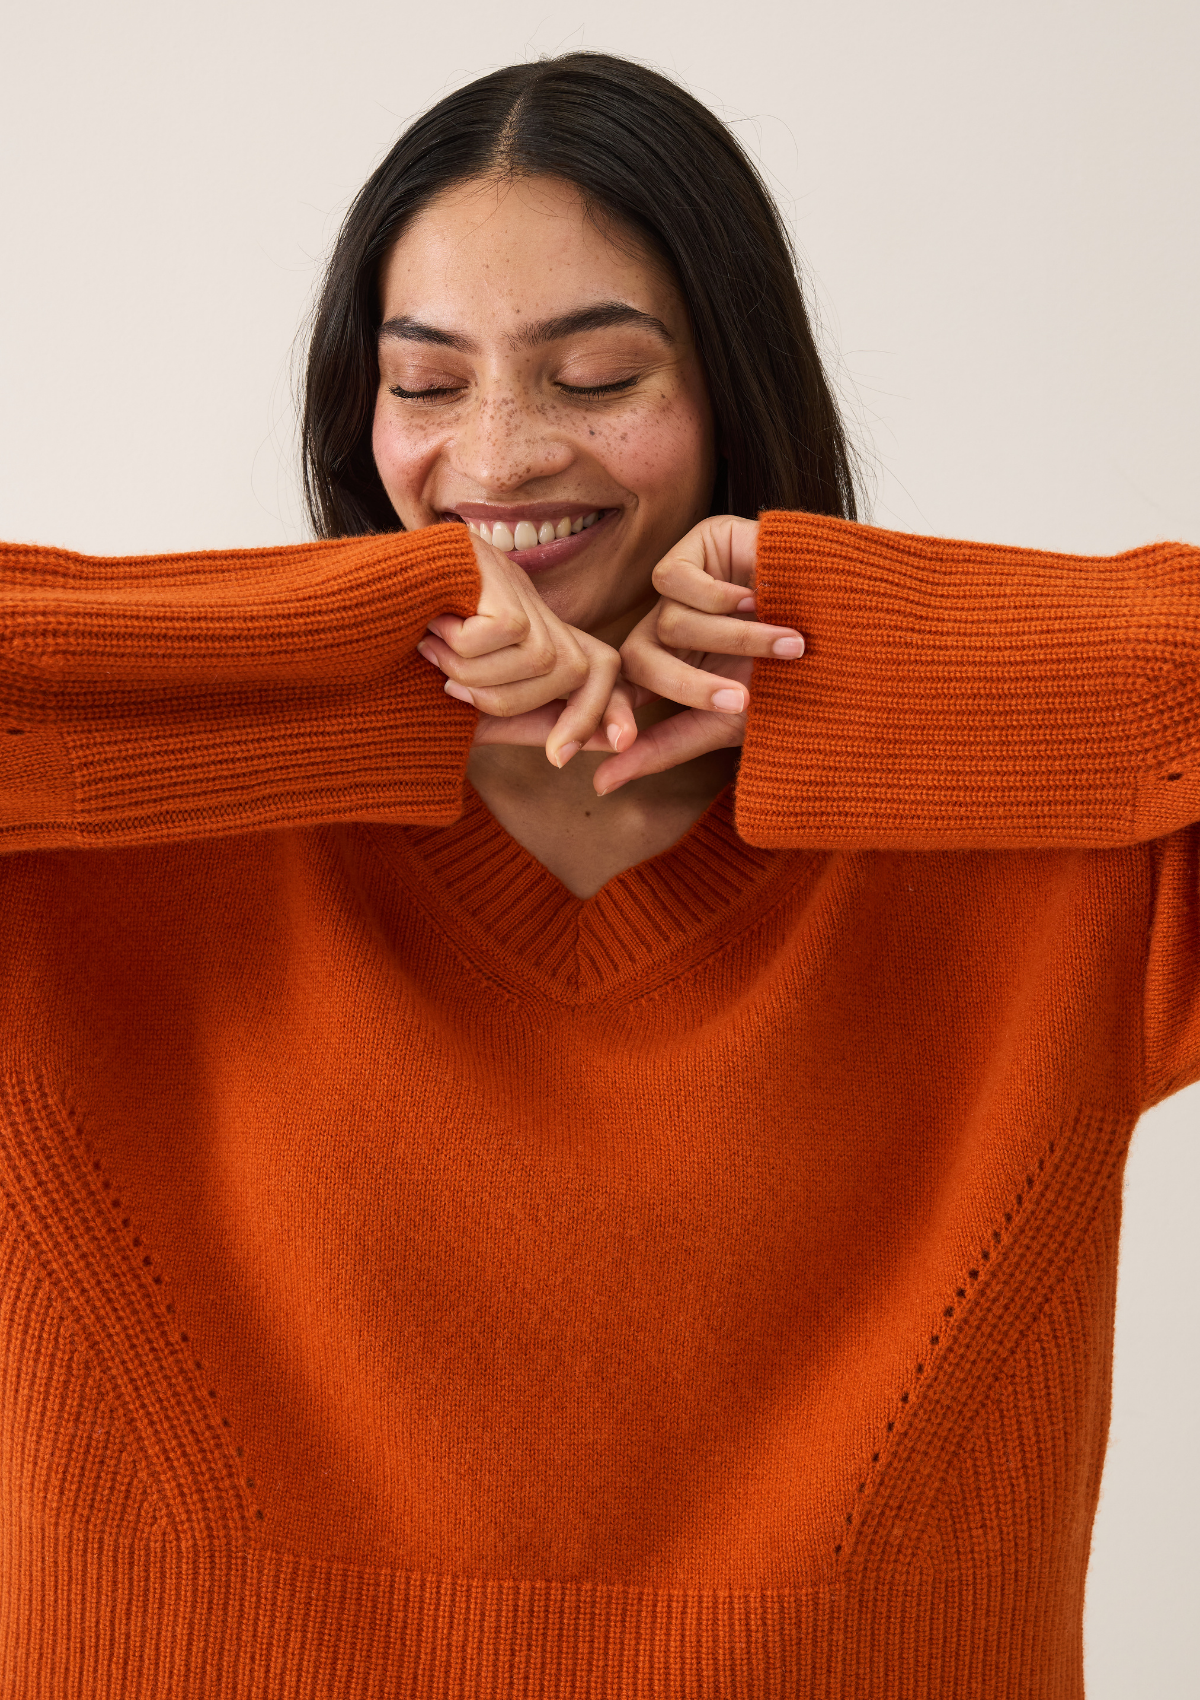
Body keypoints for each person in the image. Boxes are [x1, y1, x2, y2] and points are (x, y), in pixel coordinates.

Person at [0, 50, 1195, 1700]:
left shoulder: (1043, 852)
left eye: (596, 374)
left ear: (730, 391)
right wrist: (341, 657)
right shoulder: (99, 830)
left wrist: (884, 657)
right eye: (425, 384)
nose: (498, 456)